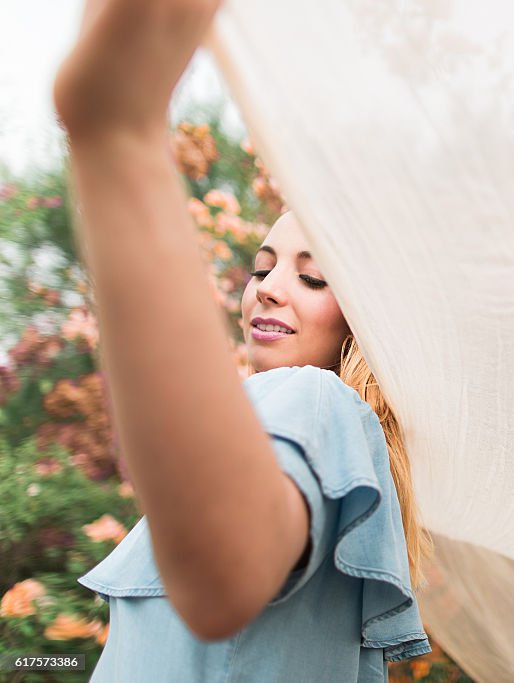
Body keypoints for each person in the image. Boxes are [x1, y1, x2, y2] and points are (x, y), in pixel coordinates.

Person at [52, 0, 433, 680]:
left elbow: (224, 571)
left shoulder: (315, 400)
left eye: (313, 278)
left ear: (360, 326)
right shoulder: (302, 441)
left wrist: (120, 131)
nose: (268, 287)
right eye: (261, 267)